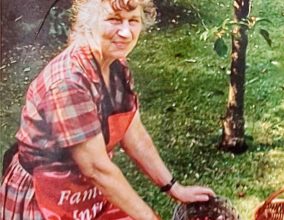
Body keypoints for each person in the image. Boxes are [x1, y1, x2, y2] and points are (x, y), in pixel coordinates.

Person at [0, 0, 215, 219]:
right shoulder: (69, 82)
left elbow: (134, 134)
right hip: (44, 198)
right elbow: (96, 169)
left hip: (84, 194)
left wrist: (174, 188)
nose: (125, 32)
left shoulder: (115, 66)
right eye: (114, 20)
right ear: (88, 22)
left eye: (133, 21)